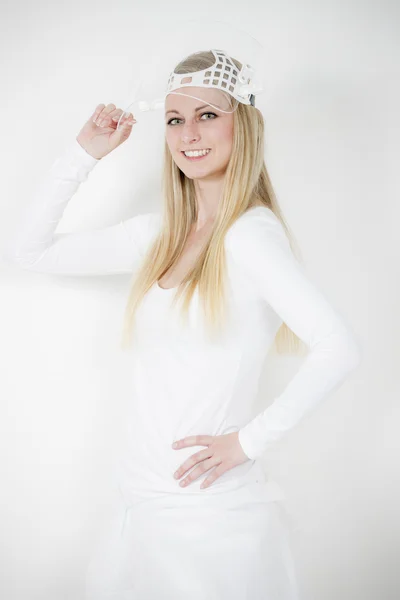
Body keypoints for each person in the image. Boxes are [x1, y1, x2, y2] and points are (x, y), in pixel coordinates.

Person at [3, 50, 361, 599]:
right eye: (175, 119)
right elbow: (29, 252)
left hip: (208, 521)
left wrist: (247, 441)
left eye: (208, 115)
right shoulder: (161, 235)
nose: (188, 133)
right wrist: (84, 154)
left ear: (242, 123)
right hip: (140, 506)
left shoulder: (250, 235)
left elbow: (338, 347)